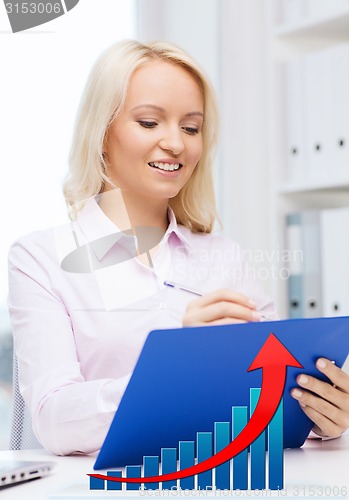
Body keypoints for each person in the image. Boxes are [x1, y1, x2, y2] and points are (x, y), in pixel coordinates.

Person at [8, 40, 349, 456]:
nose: (176, 143)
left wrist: (319, 416)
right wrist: (178, 364)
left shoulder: (223, 258)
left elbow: (268, 396)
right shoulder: (40, 259)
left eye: (190, 128)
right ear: (101, 133)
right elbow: (54, 419)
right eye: (150, 123)